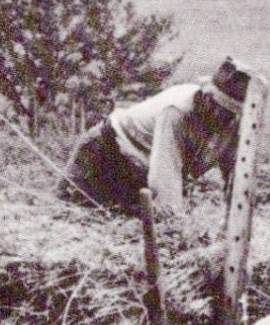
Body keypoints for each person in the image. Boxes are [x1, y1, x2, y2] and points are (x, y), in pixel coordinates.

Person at [58, 56, 252, 219]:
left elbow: (235, 178)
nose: (221, 115)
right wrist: (177, 226)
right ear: (207, 95)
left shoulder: (232, 125)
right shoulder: (177, 111)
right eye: (218, 106)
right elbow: (165, 174)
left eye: (229, 112)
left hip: (137, 172)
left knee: (125, 230)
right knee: (68, 218)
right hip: (103, 154)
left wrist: (237, 224)